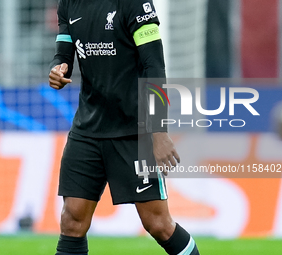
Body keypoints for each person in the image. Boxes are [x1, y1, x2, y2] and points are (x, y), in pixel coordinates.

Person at [48, 0, 200, 254]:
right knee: (72, 221)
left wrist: (158, 131)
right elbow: (63, 54)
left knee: (158, 224)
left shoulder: (135, 3)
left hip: (134, 132)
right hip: (87, 130)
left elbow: (154, 66)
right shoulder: (68, 4)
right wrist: (57, 68)